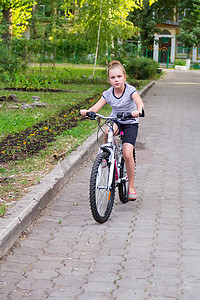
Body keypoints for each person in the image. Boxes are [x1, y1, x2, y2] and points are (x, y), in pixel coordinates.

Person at [80, 60, 144, 200]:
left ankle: (131, 186)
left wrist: (138, 111)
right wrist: (88, 112)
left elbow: (139, 102)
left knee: (127, 154)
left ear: (125, 77)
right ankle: (106, 154)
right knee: (107, 131)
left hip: (130, 122)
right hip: (116, 120)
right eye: (113, 77)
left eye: (119, 76)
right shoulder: (108, 93)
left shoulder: (130, 90)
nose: (116, 80)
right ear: (109, 80)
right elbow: (96, 107)